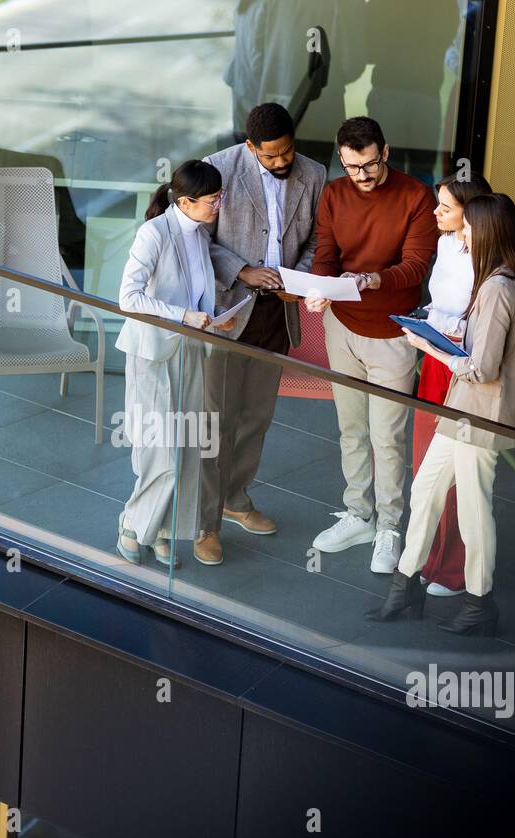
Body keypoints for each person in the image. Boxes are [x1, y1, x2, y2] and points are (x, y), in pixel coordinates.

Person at [373, 192, 515, 636]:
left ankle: (479, 601)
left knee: (473, 509)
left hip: (479, 414)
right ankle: (404, 585)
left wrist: (430, 347)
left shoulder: (499, 288)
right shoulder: (496, 283)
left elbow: (482, 369)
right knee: (425, 492)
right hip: (464, 409)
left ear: (486, 232)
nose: (461, 232)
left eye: (468, 227)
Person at [304, 116, 440, 574]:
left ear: (386, 151)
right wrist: (320, 288)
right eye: (351, 167)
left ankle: (389, 527)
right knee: (351, 430)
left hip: (392, 334)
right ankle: (358, 515)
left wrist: (370, 278)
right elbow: (326, 254)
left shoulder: (416, 196)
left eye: (369, 165)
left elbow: (417, 266)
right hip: (341, 326)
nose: (361, 176)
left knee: (387, 436)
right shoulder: (335, 194)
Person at [194, 102, 327, 566]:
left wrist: (300, 278)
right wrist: (243, 270)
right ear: (251, 147)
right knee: (217, 421)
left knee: (256, 417)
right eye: (270, 156)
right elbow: (198, 239)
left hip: (278, 314)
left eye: (286, 151)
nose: (280, 161)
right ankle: (204, 523)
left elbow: (316, 240)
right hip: (229, 309)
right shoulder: (217, 169)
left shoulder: (315, 172)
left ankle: (236, 498)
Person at [116, 160, 234, 568]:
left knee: (185, 447)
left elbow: (195, 293)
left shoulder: (198, 233)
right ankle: (134, 525)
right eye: (213, 199)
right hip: (153, 352)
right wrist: (184, 317)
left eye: (220, 196)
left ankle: (164, 530)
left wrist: (215, 313)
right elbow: (128, 298)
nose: (219, 204)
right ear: (185, 201)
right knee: (158, 448)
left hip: (189, 350)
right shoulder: (153, 233)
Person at [412, 170, 493, 598]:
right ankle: (430, 557)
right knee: (427, 461)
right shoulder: (445, 244)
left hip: (465, 366)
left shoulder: (492, 260)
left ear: (472, 212)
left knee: (461, 470)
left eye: (445, 206)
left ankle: (455, 570)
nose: (435, 211)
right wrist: (424, 321)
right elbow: (442, 303)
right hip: (435, 359)